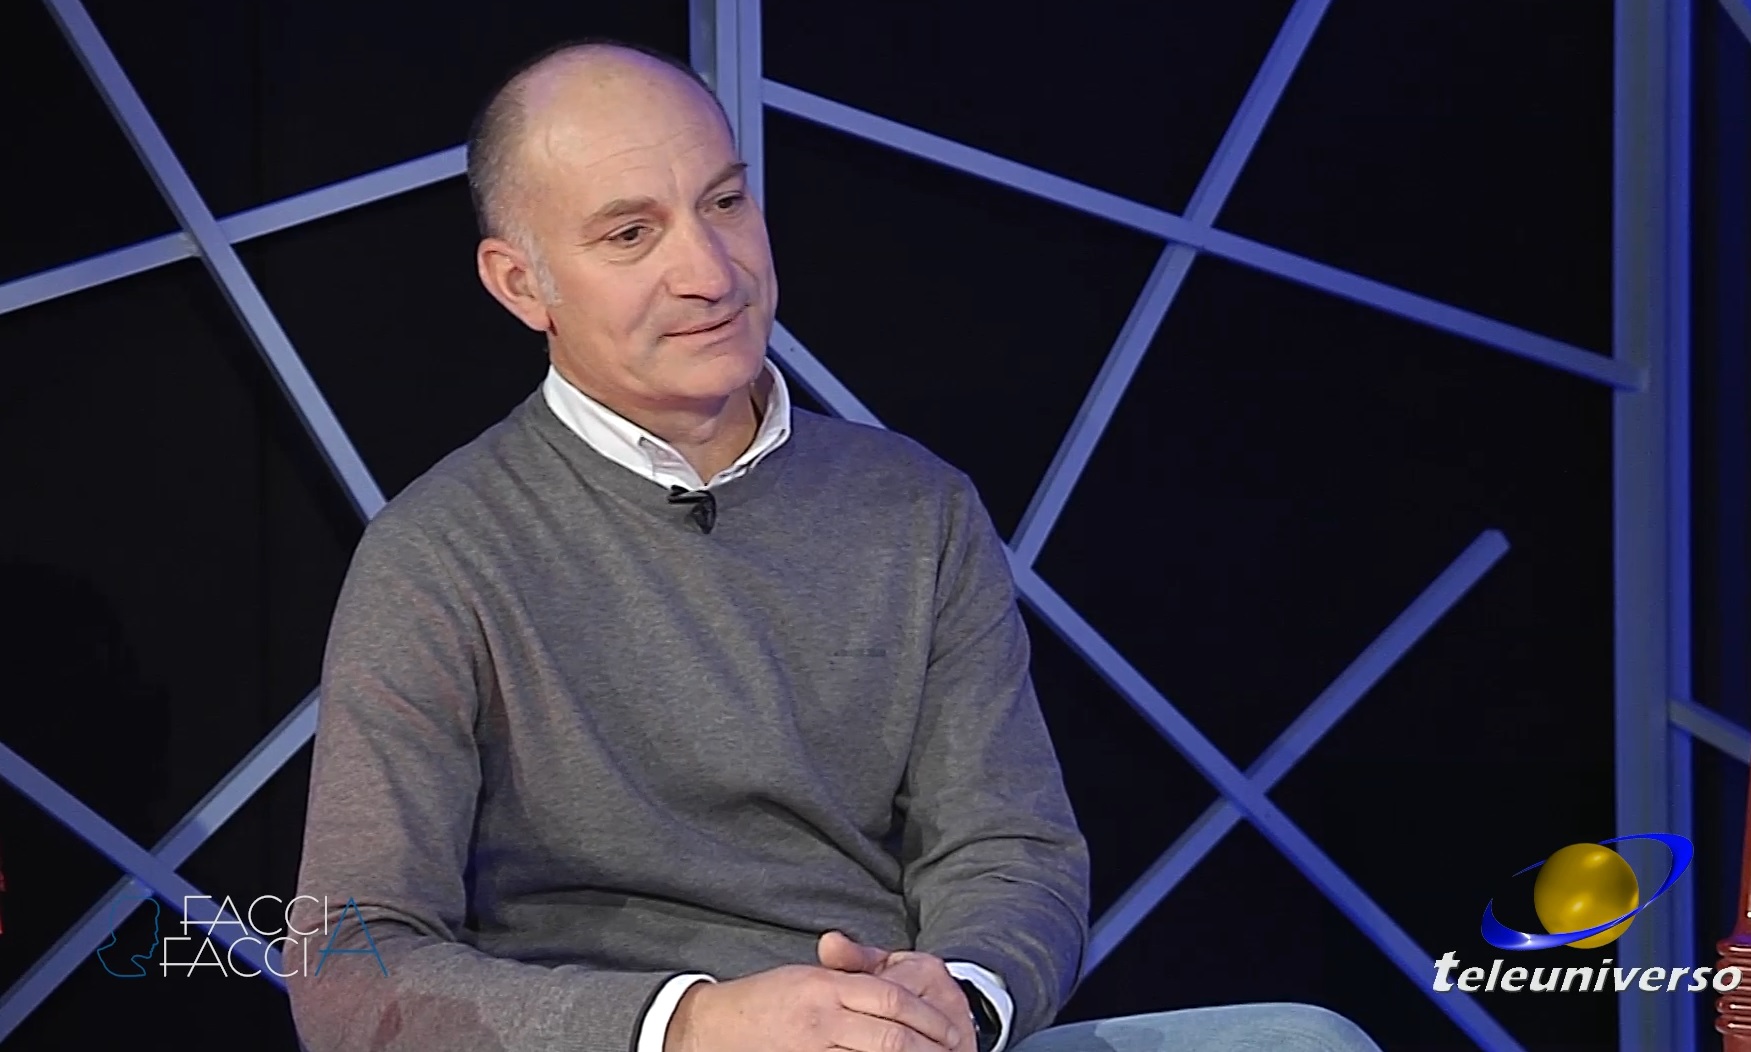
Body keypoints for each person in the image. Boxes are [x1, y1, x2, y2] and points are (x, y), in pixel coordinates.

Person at [282, 38, 1383, 1052]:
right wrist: (689, 1025)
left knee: (1305, 1044)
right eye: (630, 234)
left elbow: (1010, 850)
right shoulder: (438, 553)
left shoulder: (915, 505)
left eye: (724, 202)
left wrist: (957, 998)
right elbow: (348, 963)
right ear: (521, 283)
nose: (710, 270)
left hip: (892, 1035)